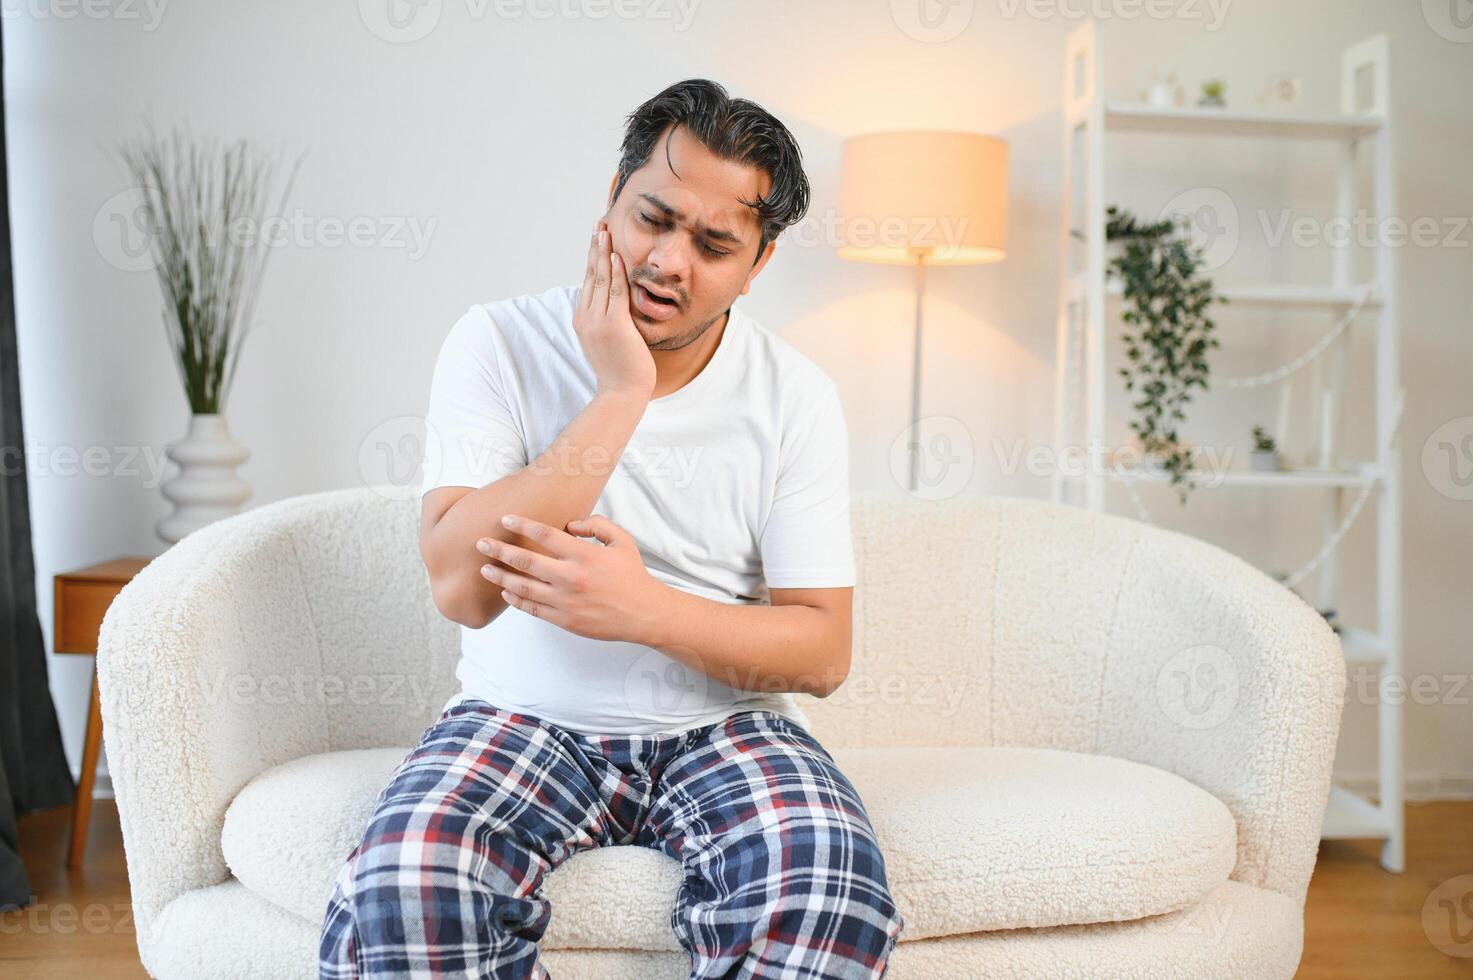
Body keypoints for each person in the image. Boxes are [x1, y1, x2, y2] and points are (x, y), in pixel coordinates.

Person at [319, 77, 904, 979]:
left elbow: (821, 654)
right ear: (610, 204)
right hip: (519, 716)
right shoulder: (497, 343)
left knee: (826, 890)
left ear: (759, 263)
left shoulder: (795, 396)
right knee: (404, 886)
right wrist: (618, 394)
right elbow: (459, 589)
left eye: (714, 244)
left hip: (726, 725)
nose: (668, 262)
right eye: (652, 219)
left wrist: (641, 610)